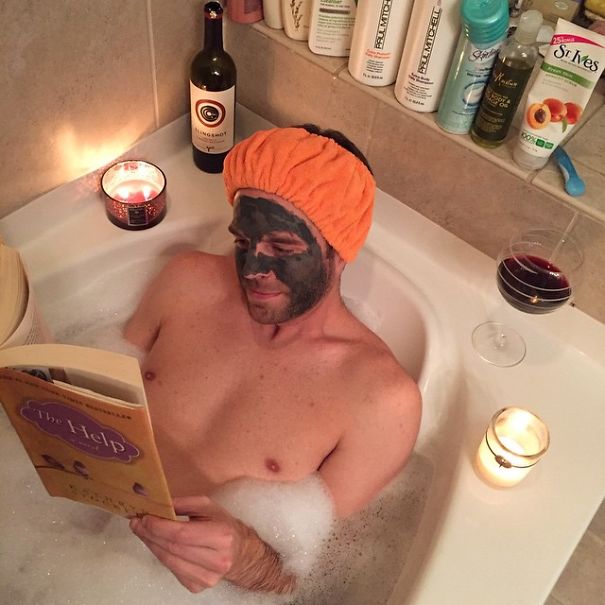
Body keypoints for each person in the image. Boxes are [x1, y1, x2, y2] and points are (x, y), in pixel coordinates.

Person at [125, 125, 422, 595]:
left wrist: (247, 559)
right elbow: (96, 385)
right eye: (243, 242)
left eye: (282, 248)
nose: (252, 269)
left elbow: (312, 580)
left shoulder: (380, 400)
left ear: (340, 252)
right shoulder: (185, 281)